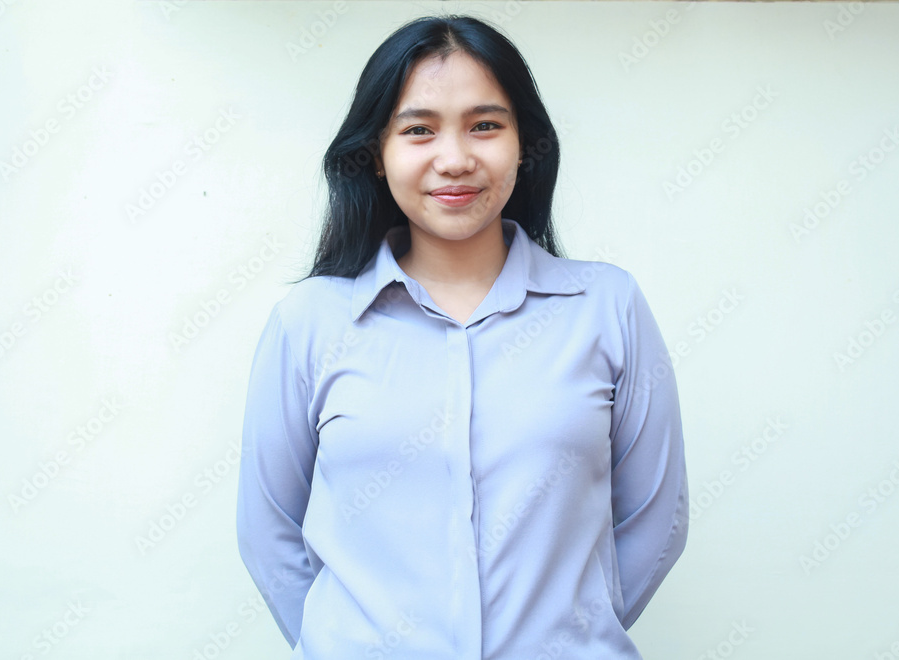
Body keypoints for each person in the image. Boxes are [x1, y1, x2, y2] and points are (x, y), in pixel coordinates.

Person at [236, 14, 688, 659]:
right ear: (376, 153)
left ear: (525, 144)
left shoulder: (606, 307)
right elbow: (267, 530)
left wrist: (568, 633)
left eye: (485, 126)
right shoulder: (309, 322)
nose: (454, 160)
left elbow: (656, 518)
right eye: (418, 130)